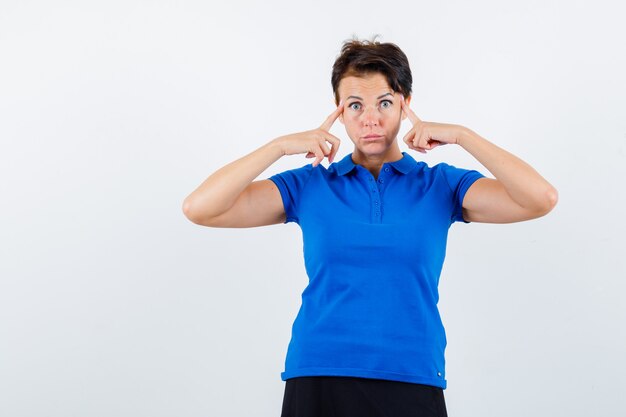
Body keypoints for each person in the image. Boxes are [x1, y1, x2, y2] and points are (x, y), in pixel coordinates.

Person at [182, 37, 558, 417]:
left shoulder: (440, 185)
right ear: (339, 112)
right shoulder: (310, 185)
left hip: (412, 375)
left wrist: (463, 135)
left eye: (384, 103)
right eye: (355, 106)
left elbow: (540, 198)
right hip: (319, 374)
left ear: (405, 105)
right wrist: (279, 146)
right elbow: (200, 208)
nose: (370, 119)